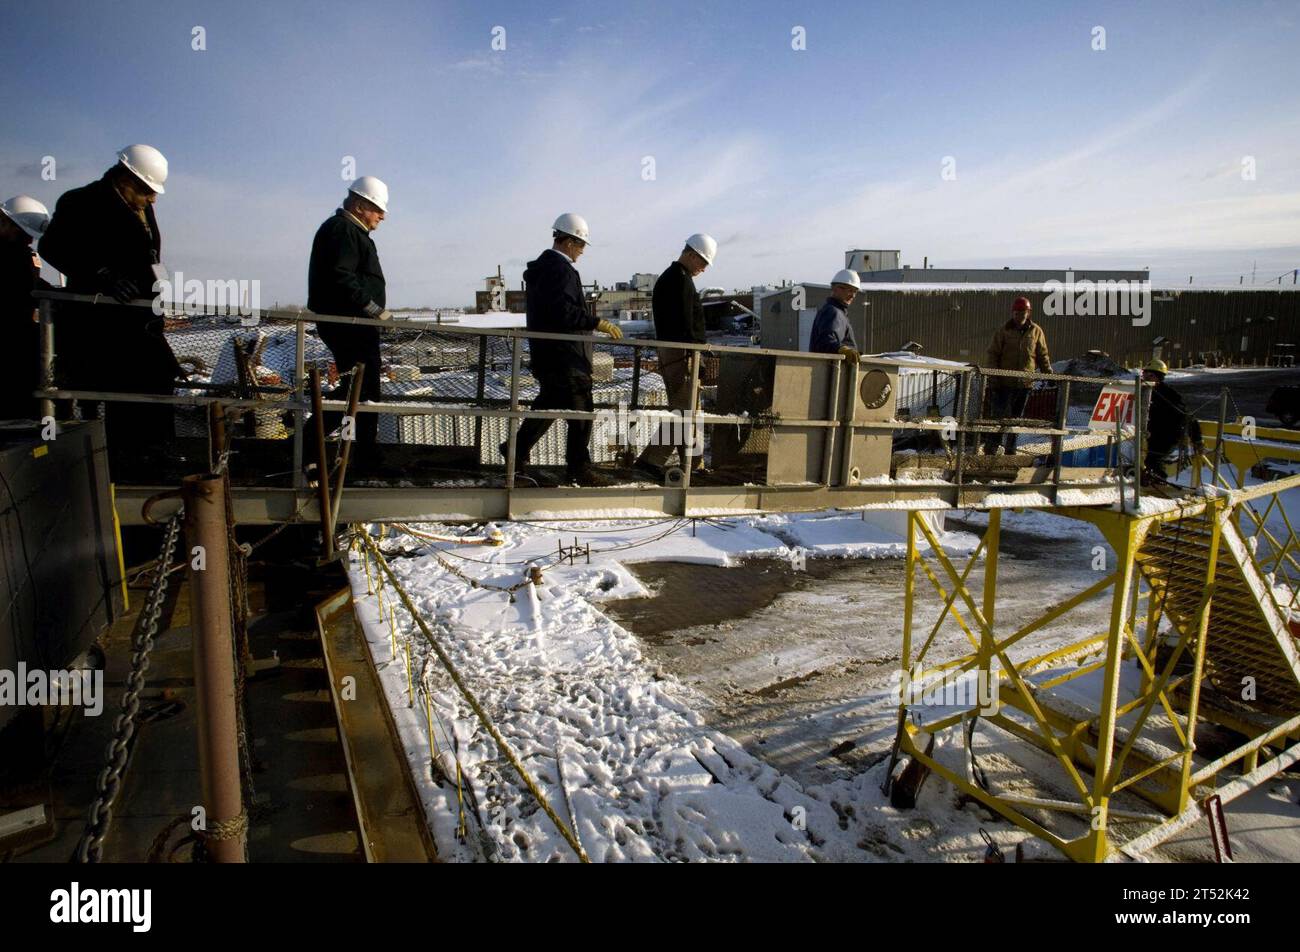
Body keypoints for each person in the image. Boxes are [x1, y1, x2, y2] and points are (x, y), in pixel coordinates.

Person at [39, 145, 182, 460]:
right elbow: (52, 246)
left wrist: (158, 284)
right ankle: (124, 457)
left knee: (159, 377)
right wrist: (102, 276)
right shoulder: (81, 202)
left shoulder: (142, 208)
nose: (153, 198)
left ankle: (154, 451)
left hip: (142, 318)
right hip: (101, 323)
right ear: (126, 179)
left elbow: (149, 254)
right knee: (122, 388)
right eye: (147, 190)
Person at [509, 213, 623, 486]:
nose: (582, 252)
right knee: (582, 411)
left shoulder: (546, 269)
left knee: (550, 404)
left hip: (551, 355)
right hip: (565, 357)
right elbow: (562, 312)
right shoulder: (559, 269)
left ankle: (514, 451)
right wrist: (597, 322)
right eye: (581, 245)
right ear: (570, 241)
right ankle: (578, 468)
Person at [307, 176, 391, 452]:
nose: (382, 216)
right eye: (377, 208)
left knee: (362, 391)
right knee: (360, 391)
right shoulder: (343, 231)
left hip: (354, 326)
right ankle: (311, 440)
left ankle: (355, 449)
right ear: (358, 205)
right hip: (348, 326)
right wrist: (373, 309)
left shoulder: (349, 232)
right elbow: (340, 277)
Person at [635, 233, 716, 478]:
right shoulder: (679, 281)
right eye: (702, 261)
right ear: (690, 254)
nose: (703, 268)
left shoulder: (673, 278)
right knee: (684, 412)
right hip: (682, 353)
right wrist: (696, 357)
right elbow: (686, 325)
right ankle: (649, 462)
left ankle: (694, 463)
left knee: (687, 411)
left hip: (676, 352)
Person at [0, 196, 52, 421]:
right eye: (25, 234)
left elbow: (33, 286)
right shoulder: (14, 257)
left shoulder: (22, 255)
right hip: (13, 339)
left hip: (19, 336)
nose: (29, 240)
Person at [982, 296, 1051, 455]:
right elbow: (993, 354)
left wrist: (1049, 375)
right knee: (999, 416)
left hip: (1024, 384)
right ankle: (992, 447)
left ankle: (1010, 449)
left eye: (1023, 312)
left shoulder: (1036, 332)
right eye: (1017, 312)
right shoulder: (1004, 331)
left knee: (1016, 418)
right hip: (1003, 383)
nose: (1020, 315)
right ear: (1013, 313)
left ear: (1028, 313)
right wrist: (994, 376)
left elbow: (1042, 355)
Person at [1141, 358, 1203, 480]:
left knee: (1153, 462)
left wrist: (1197, 439)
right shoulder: (1143, 391)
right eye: (1144, 374)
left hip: (1168, 435)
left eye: (1150, 375)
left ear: (1158, 377)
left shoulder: (1169, 395)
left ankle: (1157, 486)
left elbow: (1187, 416)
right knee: (1143, 460)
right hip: (1151, 433)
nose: (1146, 377)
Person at [809, 268, 862, 361]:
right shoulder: (833, 312)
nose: (853, 295)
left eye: (855, 291)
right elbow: (825, 342)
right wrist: (842, 349)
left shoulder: (838, 313)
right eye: (849, 290)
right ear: (835, 288)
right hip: (830, 372)